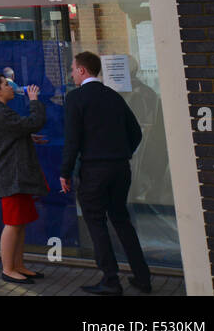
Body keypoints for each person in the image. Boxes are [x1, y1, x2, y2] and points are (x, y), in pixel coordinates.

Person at [60, 51, 152, 295]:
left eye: (73, 69)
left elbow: (72, 140)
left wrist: (65, 172)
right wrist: (122, 153)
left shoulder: (76, 98)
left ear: (82, 70)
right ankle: (142, 277)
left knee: (96, 222)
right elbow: (136, 132)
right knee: (121, 220)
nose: (71, 74)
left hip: (94, 170)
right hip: (120, 168)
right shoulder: (113, 96)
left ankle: (111, 280)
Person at [0, 74, 47, 284]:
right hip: (11, 175)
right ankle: (8, 269)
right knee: (12, 223)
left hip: (15, 175)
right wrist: (34, 100)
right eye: (6, 84)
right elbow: (33, 122)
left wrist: (27, 137)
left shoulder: (1, 111)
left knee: (20, 223)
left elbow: (16, 132)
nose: (11, 87)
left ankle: (18, 265)